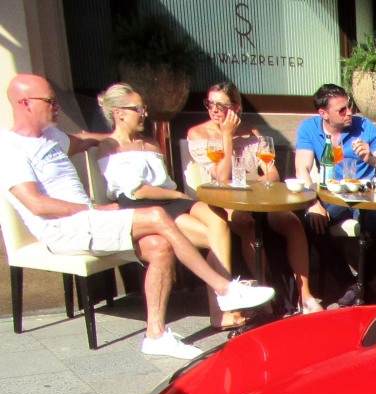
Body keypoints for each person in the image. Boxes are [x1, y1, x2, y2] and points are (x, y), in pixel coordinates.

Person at [0, 74, 273, 359]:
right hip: (63, 229)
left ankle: (155, 335)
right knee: (155, 215)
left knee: (160, 245)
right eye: (49, 101)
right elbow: (37, 205)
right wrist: (93, 209)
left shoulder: (51, 137)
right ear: (24, 103)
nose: (56, 106)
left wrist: (111, 139)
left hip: (87, 223)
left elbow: (81, 141)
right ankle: (225, 289)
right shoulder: (9, 148)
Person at [96, 83, 245, 332]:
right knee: (213, 235)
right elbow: (137, 190)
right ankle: (221, 309)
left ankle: (225, 302)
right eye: (138, 108)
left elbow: (163, 182)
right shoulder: (110, 147)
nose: (144, 113)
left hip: (173, 200)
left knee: (219, 222)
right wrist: (177, 194)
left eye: (143, 108)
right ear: (119, 113)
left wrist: (178, 196)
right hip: (147, 204)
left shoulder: (150, 143)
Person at [187, 81, 321, 313]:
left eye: (221, 105)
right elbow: (220, 177)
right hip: (222, 201)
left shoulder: (252, 132)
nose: (214, 110)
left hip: (256, 199)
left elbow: (272, 173)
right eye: (210, 104)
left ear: (236, 108)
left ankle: (305, 295)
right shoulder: (198, 134)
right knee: (247, 224)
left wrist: (254, 182)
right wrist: (227, 137)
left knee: (292, 222)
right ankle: (266, 295)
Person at [294, 84, 376, 306]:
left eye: (349, 106)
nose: (349, 112)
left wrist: (370, 158)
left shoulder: (364, 127)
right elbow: (302, 168)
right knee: (313, 222)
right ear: (323, 114)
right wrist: (313, 203)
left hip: (366, 194)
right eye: (341, 110)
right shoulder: (309, 128)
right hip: (333, 194)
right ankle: (352, 285)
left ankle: (358, 285)